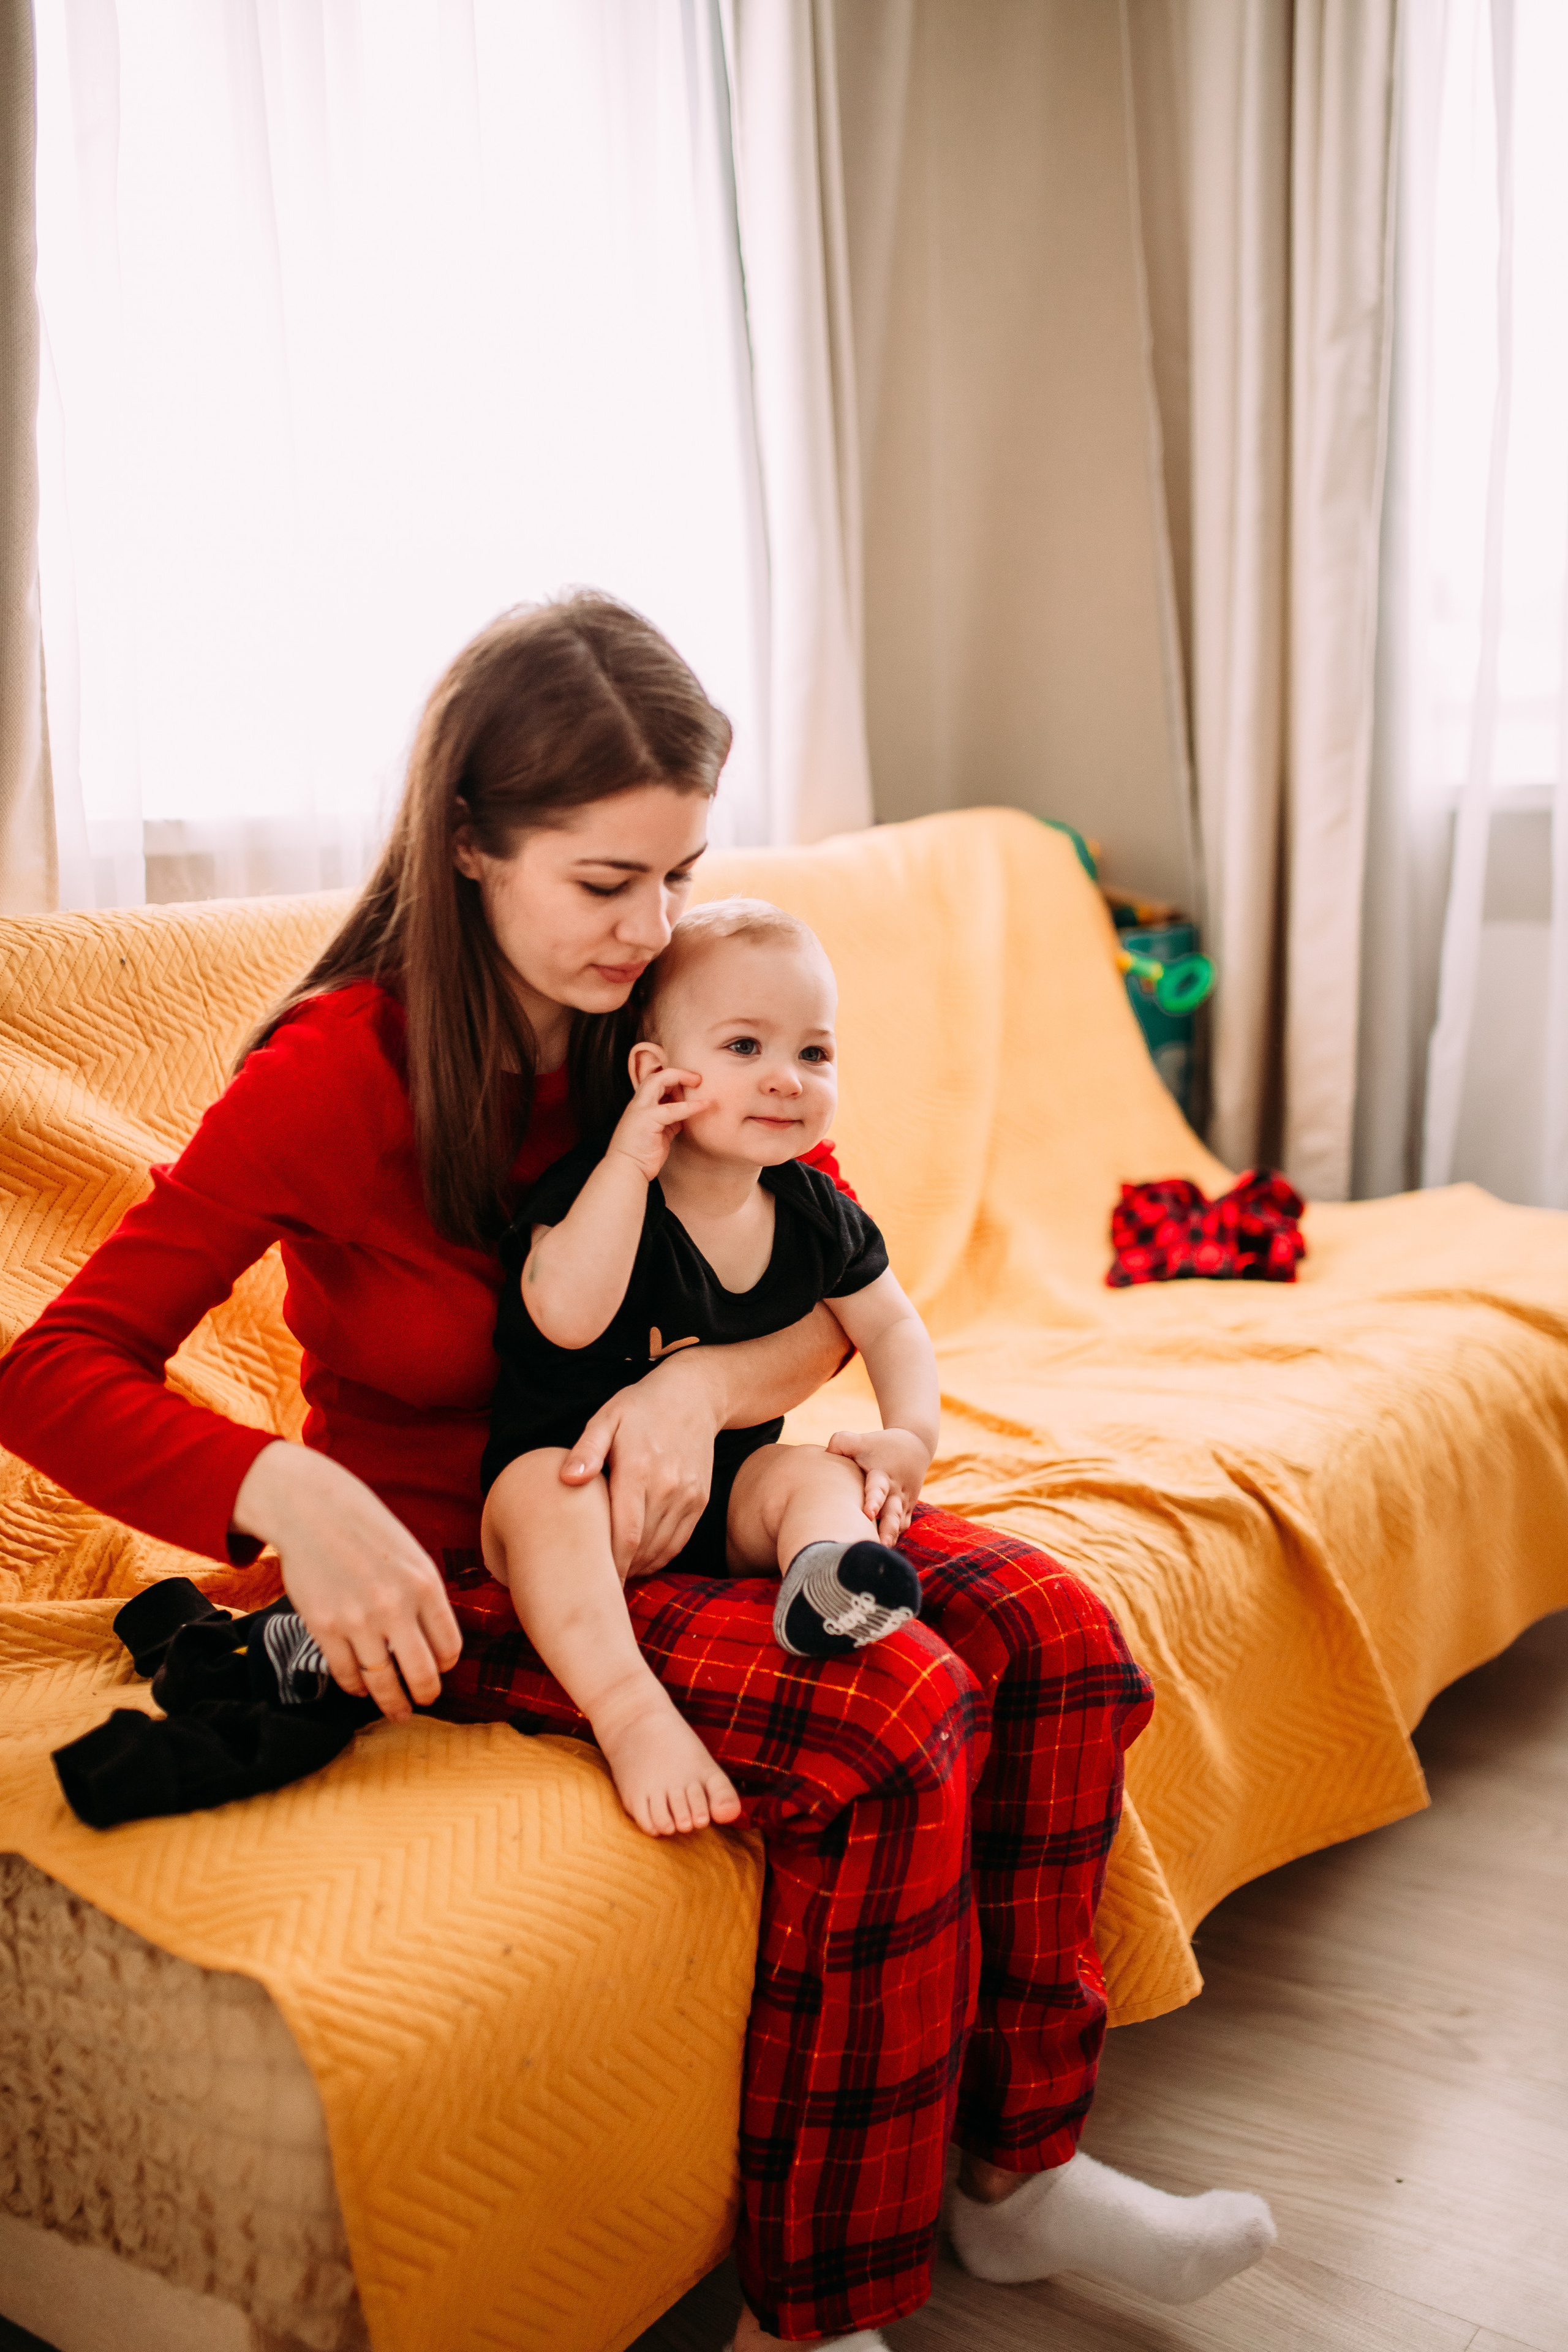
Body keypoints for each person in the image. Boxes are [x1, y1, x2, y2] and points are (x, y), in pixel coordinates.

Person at [0, 594, 1275, 2348]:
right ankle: (817, 2313)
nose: (649, 926)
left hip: (703, 1506)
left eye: (678, 874)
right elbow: (54, 1368)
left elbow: (824, 1283)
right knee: (895, 1719)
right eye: (606, 882)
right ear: (467, 844)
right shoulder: (335, 1075)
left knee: (1060, 1634)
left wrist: (702, 1398)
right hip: (477, 1559)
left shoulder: (657, 1022)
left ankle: (1018, 2175)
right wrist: (282, 1495)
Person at [481, 897, 934, 1838]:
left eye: (814, 1054)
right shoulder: (602, 1190)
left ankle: (824, 1576)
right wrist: (628, 1165)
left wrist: (909, 1438)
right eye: (744, 1048)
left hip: (723, 1501)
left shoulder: (817, 1213)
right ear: (657, 1075)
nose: (787, 1080)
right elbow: (563, 1320)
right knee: (541, 1491)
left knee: (812, 1470)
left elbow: (892, 1327)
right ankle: (632, 1714)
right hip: (577, 1491)